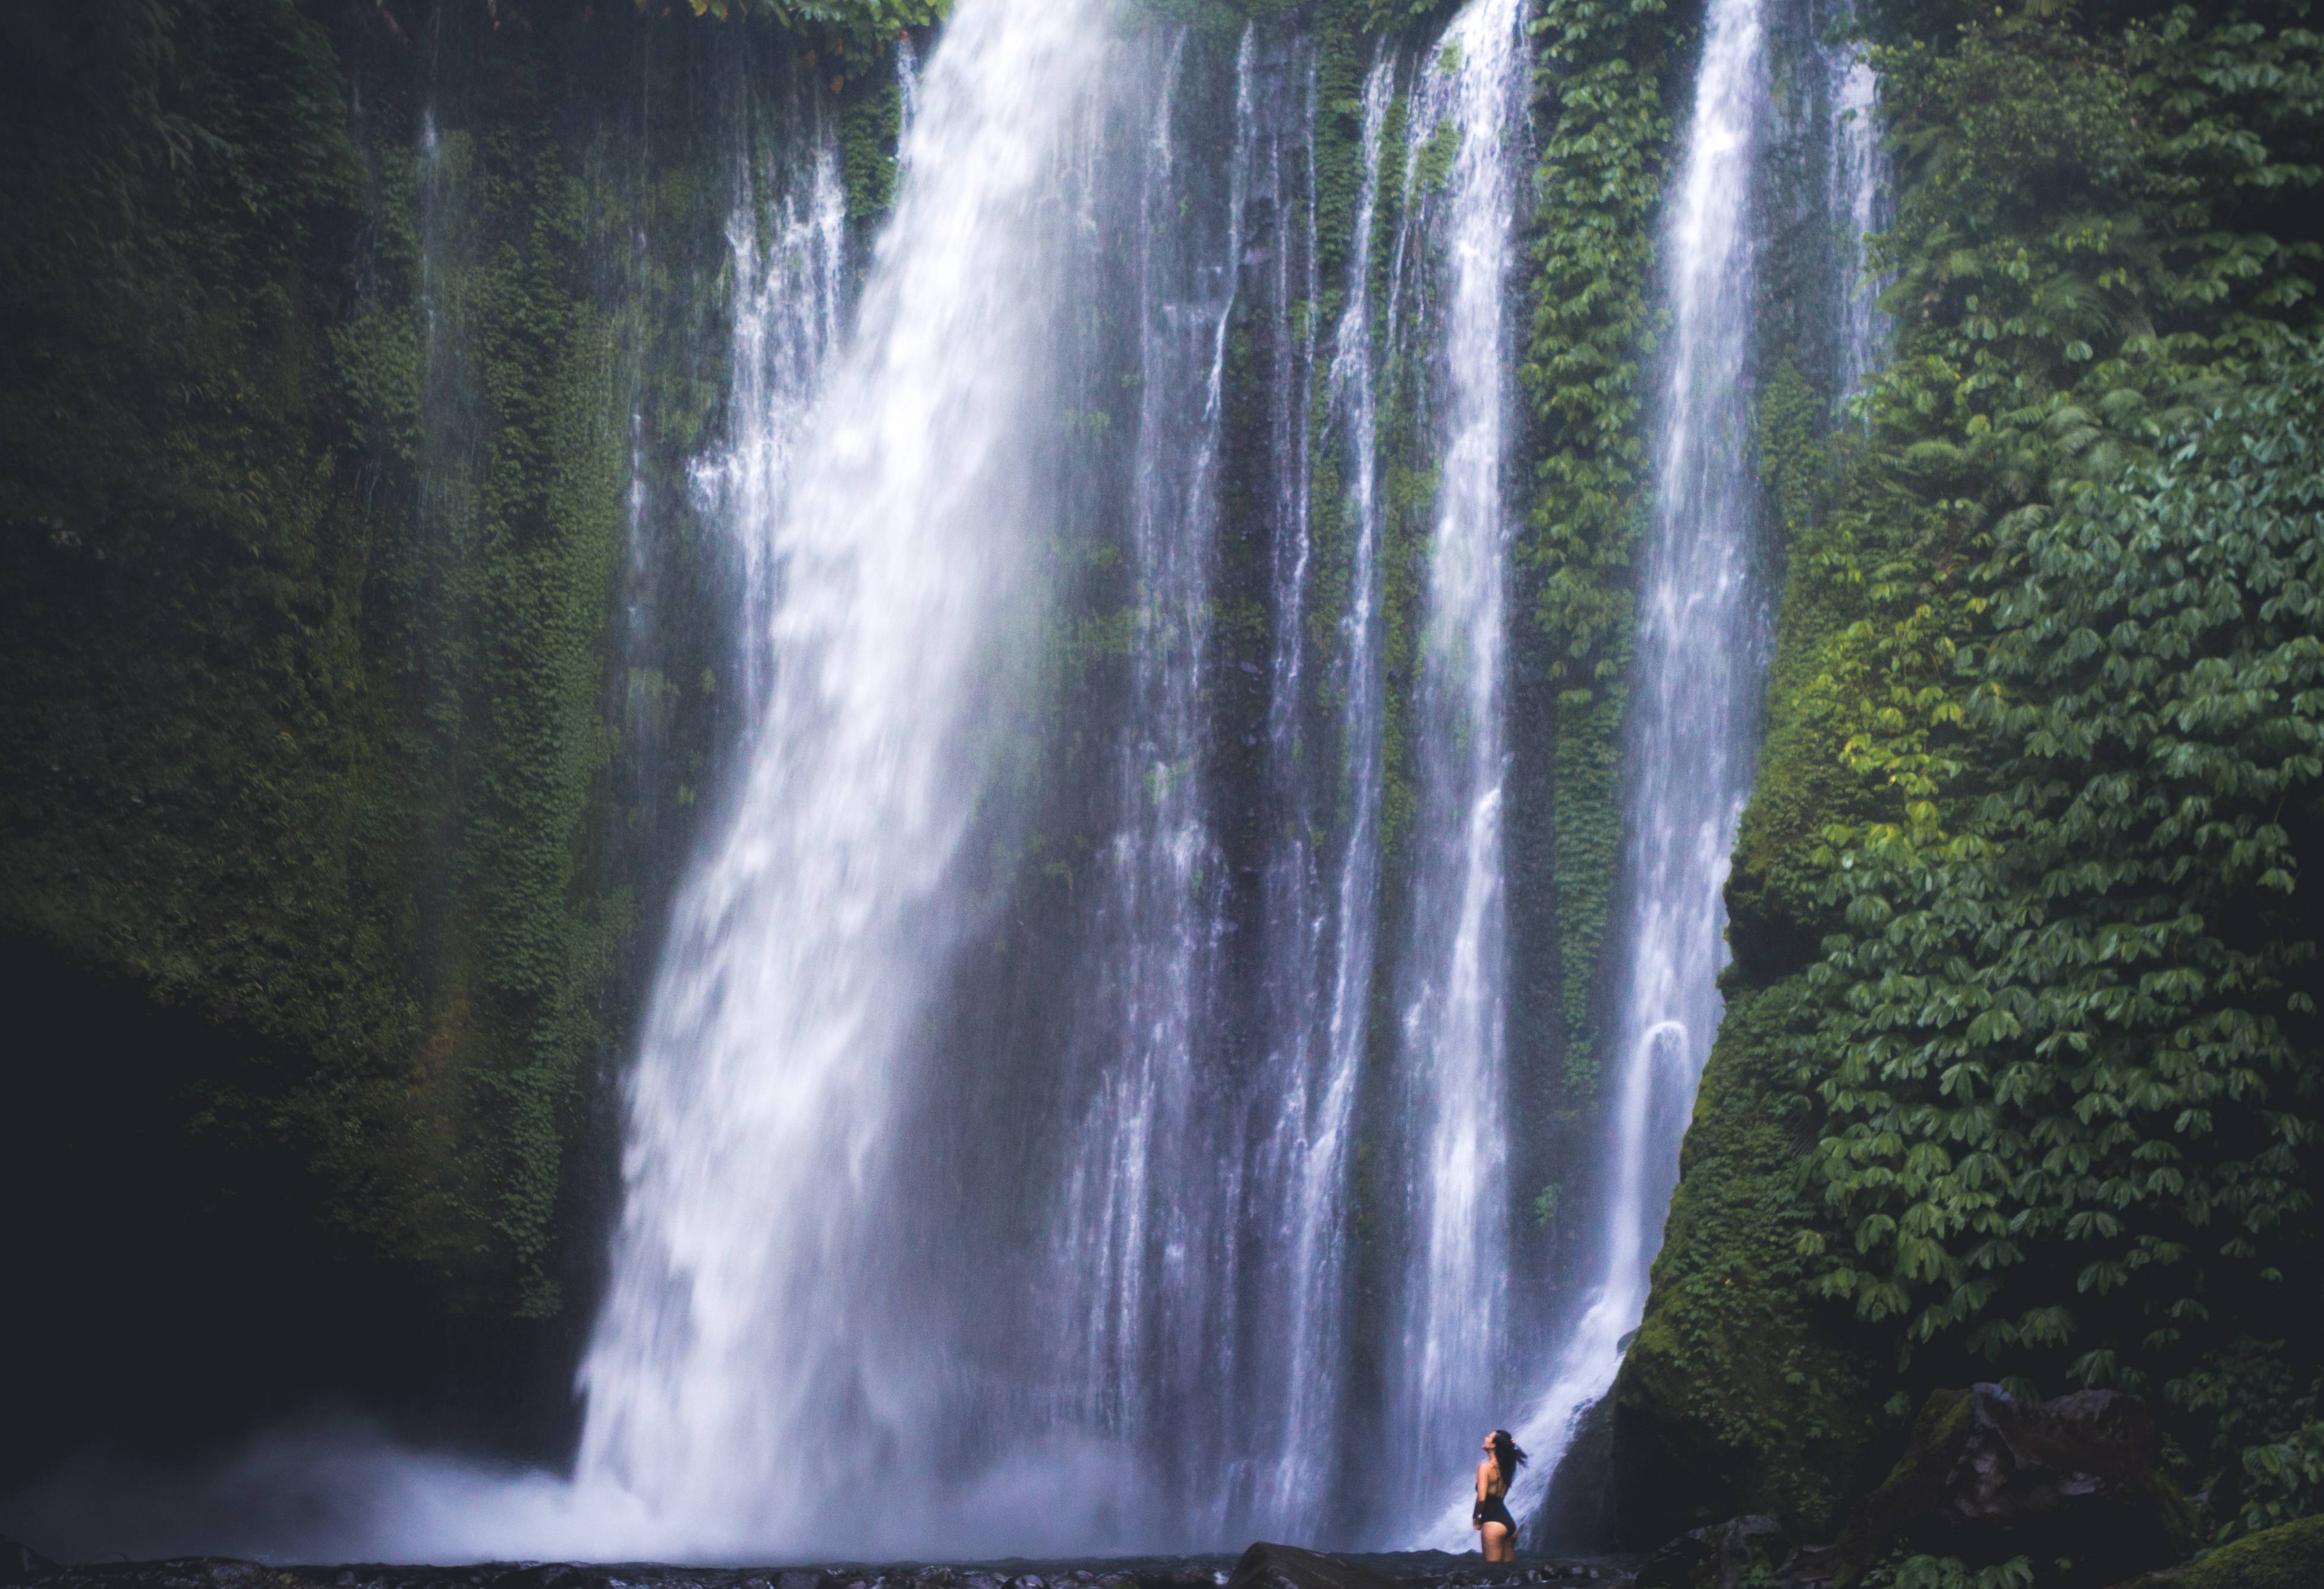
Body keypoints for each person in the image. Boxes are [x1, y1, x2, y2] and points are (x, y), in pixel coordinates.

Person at [1471, 1427, 1526, 1562]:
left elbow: (1482, 1498)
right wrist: (1510, 1443)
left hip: (1493, 1524)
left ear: (1493, 1445)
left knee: (1493, 1574)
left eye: (1489, 1437)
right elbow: (1510, 1451)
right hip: (1510, 1525)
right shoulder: (1507, 1467)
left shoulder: (1485, 1468)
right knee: (1508, 1575)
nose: (1486, 1438)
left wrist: (1475, 1516)